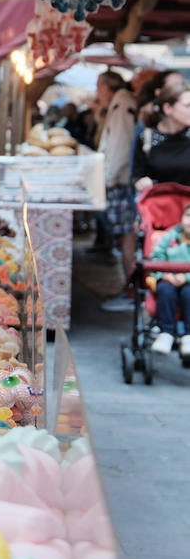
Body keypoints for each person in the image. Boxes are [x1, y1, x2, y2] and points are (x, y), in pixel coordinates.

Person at [94, 71, 140, 310]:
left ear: (105, 87)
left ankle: (130, 290)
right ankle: (130, 288)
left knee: (126, 236)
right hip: (118, 178)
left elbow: (121, 146)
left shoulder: (121, 105)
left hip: (119, 180)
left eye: (98, 87)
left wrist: (108, 179)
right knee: (124, 236)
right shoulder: (120, 104)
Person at [146, 200, 190, 355]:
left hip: (188, 281)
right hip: (167, 277)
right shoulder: (169, 236)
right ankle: (166, 333)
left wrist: (186, 278)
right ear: (182, 217)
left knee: (188, 293)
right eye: (188, 216)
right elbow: (155, 257)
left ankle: (188, 335)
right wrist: (166, 274)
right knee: (165, 290)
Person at [133, 82, 190, 193]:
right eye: (187, 106)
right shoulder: (147, 137)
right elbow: (136, 175)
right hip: (158, 207)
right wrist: (141, 182)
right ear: (168, 108)